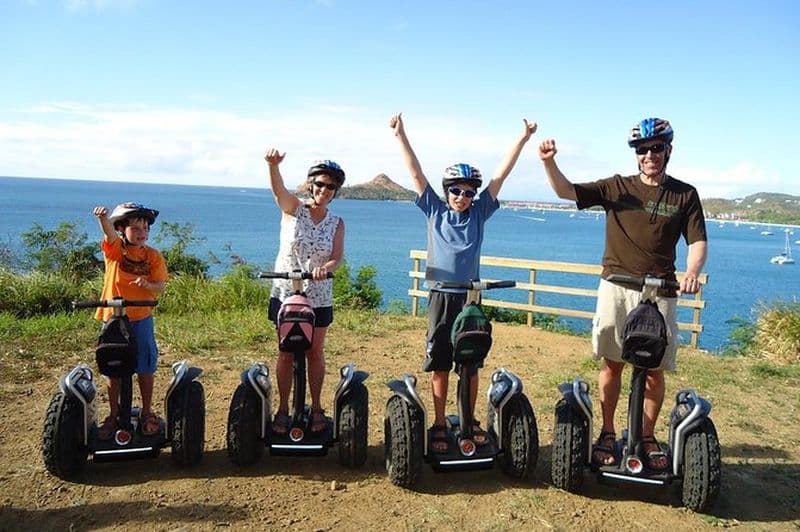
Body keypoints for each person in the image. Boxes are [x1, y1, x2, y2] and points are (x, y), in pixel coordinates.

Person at [538, 117, 707, 470]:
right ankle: (609, 432)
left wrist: (692, 272)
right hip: (617, 285)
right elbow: (566, 191)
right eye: (642, 150)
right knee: (612, 364)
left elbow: (697, 241)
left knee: (655, 369)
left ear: (668, 150)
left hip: (661, 289)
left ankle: (646, 435)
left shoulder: (685, 194)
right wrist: (549, 162)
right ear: (636, 155)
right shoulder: (618, 187)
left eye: (656, 148)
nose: (649, 155)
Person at [390, 112, 537, 453]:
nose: (462, 196)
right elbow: (415, 172)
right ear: (447, 192)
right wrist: (401, 135)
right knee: (440, 363)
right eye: (456, 190)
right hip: (441, 297)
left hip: (470, 299)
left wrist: (522, 139)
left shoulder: (480, 213)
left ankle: (468, 422)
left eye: (469, 192)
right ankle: (441, 423)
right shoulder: (435, 211)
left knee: (470, 364)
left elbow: (500, 176)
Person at [264, 149, 346, 434]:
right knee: (286, 351)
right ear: (311, 184)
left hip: (319, 295)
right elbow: (279, 192)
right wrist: (273, 166)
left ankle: (317, 406)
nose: (324, 190)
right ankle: (283, 408)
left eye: (331, 186)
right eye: (320, 184)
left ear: (336, 191)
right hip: (287, 291)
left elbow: (337, 256)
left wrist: (328, 267)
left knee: (314, 351)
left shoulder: (337, 223)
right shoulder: (293, 210)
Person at [92, 202, 168, 439]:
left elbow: (161, 286)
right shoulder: (115, 250)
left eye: (145, 229)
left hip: (141, 316)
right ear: (122, 229)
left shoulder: (153, 256)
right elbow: (109, 234)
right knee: (113, 366)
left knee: (145, 364)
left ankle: (147, 411)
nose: (142, 233)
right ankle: (114, 415)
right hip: (114, 317)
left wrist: (148, 285)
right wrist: (103, 219)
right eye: (135, 228)